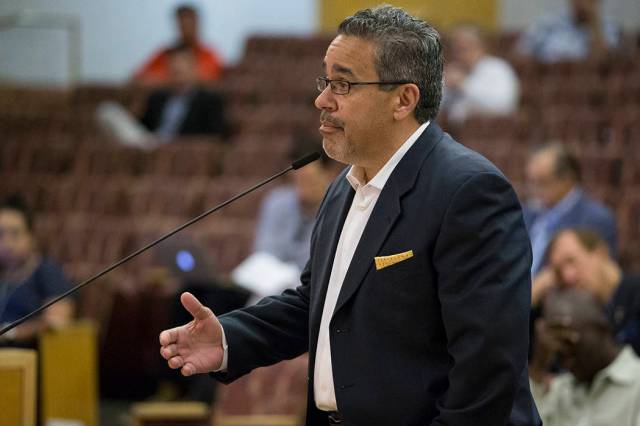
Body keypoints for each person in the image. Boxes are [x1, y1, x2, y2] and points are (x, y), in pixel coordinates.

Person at [160, 6, 541, 425]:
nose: (321, 99)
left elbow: (487, 372)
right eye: (325, 81)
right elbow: (316, 304)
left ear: (403, 99)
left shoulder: (469, 192)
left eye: (342, 84)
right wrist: (229, 338)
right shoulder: (344, 186)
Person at [232, 138, 336, 303]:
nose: (302, 189)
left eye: (309, 181)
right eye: (298, 181)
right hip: (269, 288)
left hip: (311, 294)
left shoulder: (336, 207)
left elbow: (315, 263)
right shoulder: (277, 202)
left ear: (328, 175)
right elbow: (265, 251)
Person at [530, 287, 640, 425]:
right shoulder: (560, 390)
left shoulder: (636, 385)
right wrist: (538, 367)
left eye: (571, 344)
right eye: (559, 354)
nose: (566, 363)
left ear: (601, 329)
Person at [96, 44, 228, 148]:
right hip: (151, 142)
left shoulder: (209, 99)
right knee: (107, 111)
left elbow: (213, 136)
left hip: (178, 147)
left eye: (182, 64)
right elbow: (144, 128)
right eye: (173, 65)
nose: (177, 68)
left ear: (194, 68)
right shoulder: (157, 97)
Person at [532, 228, 640, 355]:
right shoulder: (584, 317)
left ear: (601, 254)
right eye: (558, 272)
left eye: (571, 261)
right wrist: (532, 296)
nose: (568, 277)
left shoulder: (635, 294)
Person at [523, 143, 617, 276]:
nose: (534, 190)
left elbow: (599, 277)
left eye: (542, 182)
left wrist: (538, 288)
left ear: (567, 179)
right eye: (531, 182)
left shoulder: (595, 219)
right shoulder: (528, 213)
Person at [0, 196, 74, 348]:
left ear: (31, 237)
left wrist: (10, 333)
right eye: (0, 234)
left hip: (26, 358)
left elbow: (57, 320)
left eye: (15, 233)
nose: (6, 243)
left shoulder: (47, 272)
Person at [441, 24, 520, 123]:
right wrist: (444, 87)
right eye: (455, 49)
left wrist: (464, 84)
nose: (458, 54)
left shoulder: (497, 68)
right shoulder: (454, 70)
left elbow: (503, 105)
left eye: (464, 48)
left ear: (480, 46)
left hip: (491, 131)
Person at [133, 4, 223, 86]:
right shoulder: (166, 53)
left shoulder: (208, 54)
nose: (185, 28)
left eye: (189, 23)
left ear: (197, 23)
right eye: (182, 23)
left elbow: (210, 77)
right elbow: (139, 77)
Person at [517, 0, 620, 63]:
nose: (581, 3)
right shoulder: (549, 24)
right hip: (546, 83)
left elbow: (603, 64)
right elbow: (521, 55)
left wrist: (594, 23)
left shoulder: (607, 28)